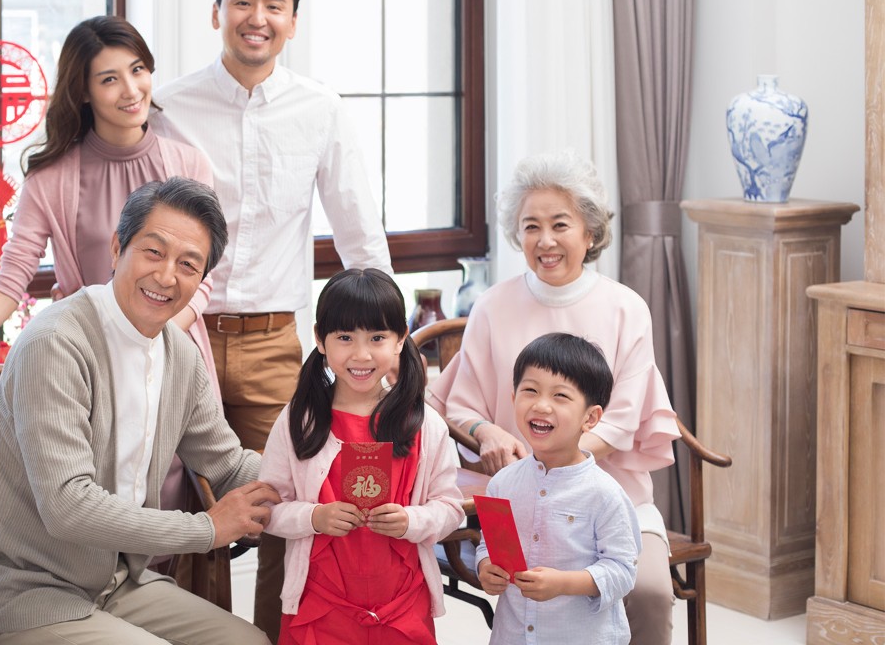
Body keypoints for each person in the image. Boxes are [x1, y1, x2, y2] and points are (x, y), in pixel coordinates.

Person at [149, 0, 393, 639]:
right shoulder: (169, 106)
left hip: (270, 345)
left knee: (286, 503)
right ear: (217, 11)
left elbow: (360, 239)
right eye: (243, 1)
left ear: (292, 19)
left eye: (273, 5)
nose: (257, 17)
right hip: (177, 337)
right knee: (171, 512)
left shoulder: (321, 109)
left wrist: (384, 343)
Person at [0, 177, 278, 644]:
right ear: (116, 249)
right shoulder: (56, 344)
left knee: (249, 642)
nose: (167, 276)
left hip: (116, 585)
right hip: (22, 593)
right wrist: (206, 529)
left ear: (201, 280)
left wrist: (324, 477)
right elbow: (67, 507)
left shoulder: (180, 353)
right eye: (153, 252)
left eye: (188, 265)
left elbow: (228, 464)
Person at [0, 15, 219, 407]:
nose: (132, 90)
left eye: (137, 70)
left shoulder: (190, 164)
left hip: (171, 362)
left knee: (181, 466)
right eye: (109, 79)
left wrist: (145, 340)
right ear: (84, 92)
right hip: (90, 366)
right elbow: (10, 283)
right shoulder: (51, 179)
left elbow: (201, 281)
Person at [427, 148, 681, 645]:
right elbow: (459, 404)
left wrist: (554, 456)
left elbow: (621, 421)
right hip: (520, 502)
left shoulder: (626, 308)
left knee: (650, 593)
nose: (545, 241)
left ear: (589, 231)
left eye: (560, 224)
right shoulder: (493, 306)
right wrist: (489, 431)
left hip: (613, 499)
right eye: (530, 226)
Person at [258, 268, 464, 645]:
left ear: (401, 339)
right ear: (320, 340)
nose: (361, 354)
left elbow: (451, 509)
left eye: (378, 337)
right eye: (345, 337)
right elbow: (268, 508)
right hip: (320, 604)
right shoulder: (299, 421)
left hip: (403, 603)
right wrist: (314, 517)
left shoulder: (424, 425)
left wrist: (410, 520)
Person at [476, 332, 641, 645]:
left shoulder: (604, 494)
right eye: (530, 390)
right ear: (513, 399)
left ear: (590, 418)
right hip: (513, 635)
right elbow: (489, 544)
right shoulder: (502, 484)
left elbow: (622, 572)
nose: (541, 405)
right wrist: (486, 567)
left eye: (560, 396)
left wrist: (564, 583)